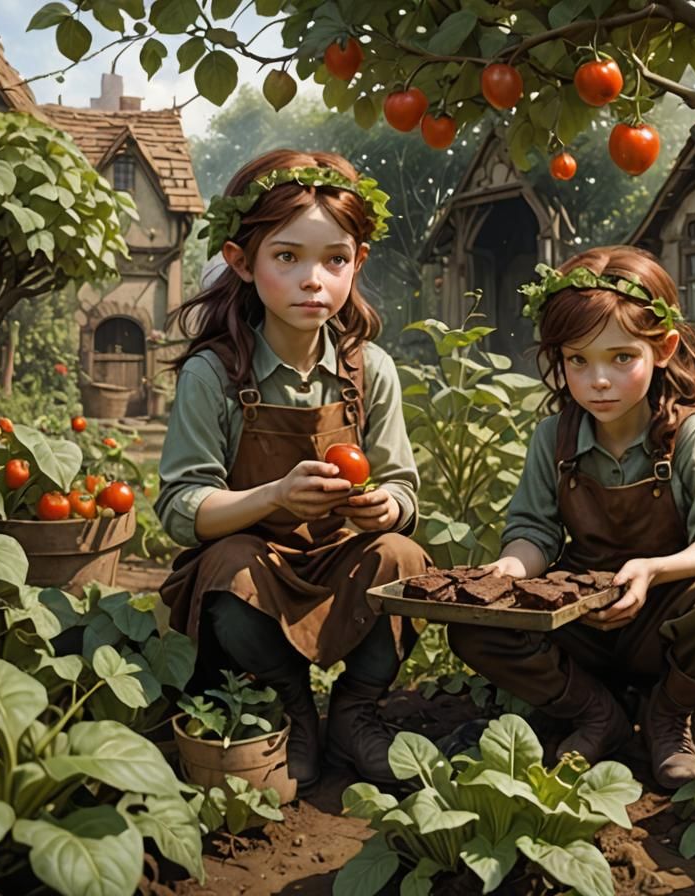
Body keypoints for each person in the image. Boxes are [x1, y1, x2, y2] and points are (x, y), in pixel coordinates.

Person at [155, 149, 429, 790]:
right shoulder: (216, 374)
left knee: (403, 558)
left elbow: (403, 489)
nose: (314, 280)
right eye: (287, 257)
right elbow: (181, 508)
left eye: (335, 259)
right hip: (259, 568)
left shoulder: (369, 370)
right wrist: (274, 496)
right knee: (229, 570)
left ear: (357, 263)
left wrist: (385, 507)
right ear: (241, 262)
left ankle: (357, 713)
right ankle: (292, 708)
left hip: (340, 559)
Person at [448, 246, 695, 790]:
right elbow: (535, 532)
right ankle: (597, 714)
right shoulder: (554, 439)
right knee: (474, 625)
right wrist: (510, 570)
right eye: (578, 360)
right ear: (560, 359)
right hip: (579, 624)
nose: (598, 380)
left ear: (661, 349)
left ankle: (668, 718)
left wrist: (653, 570)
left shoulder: (688, 435)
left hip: (662, 620)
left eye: (621, 358)